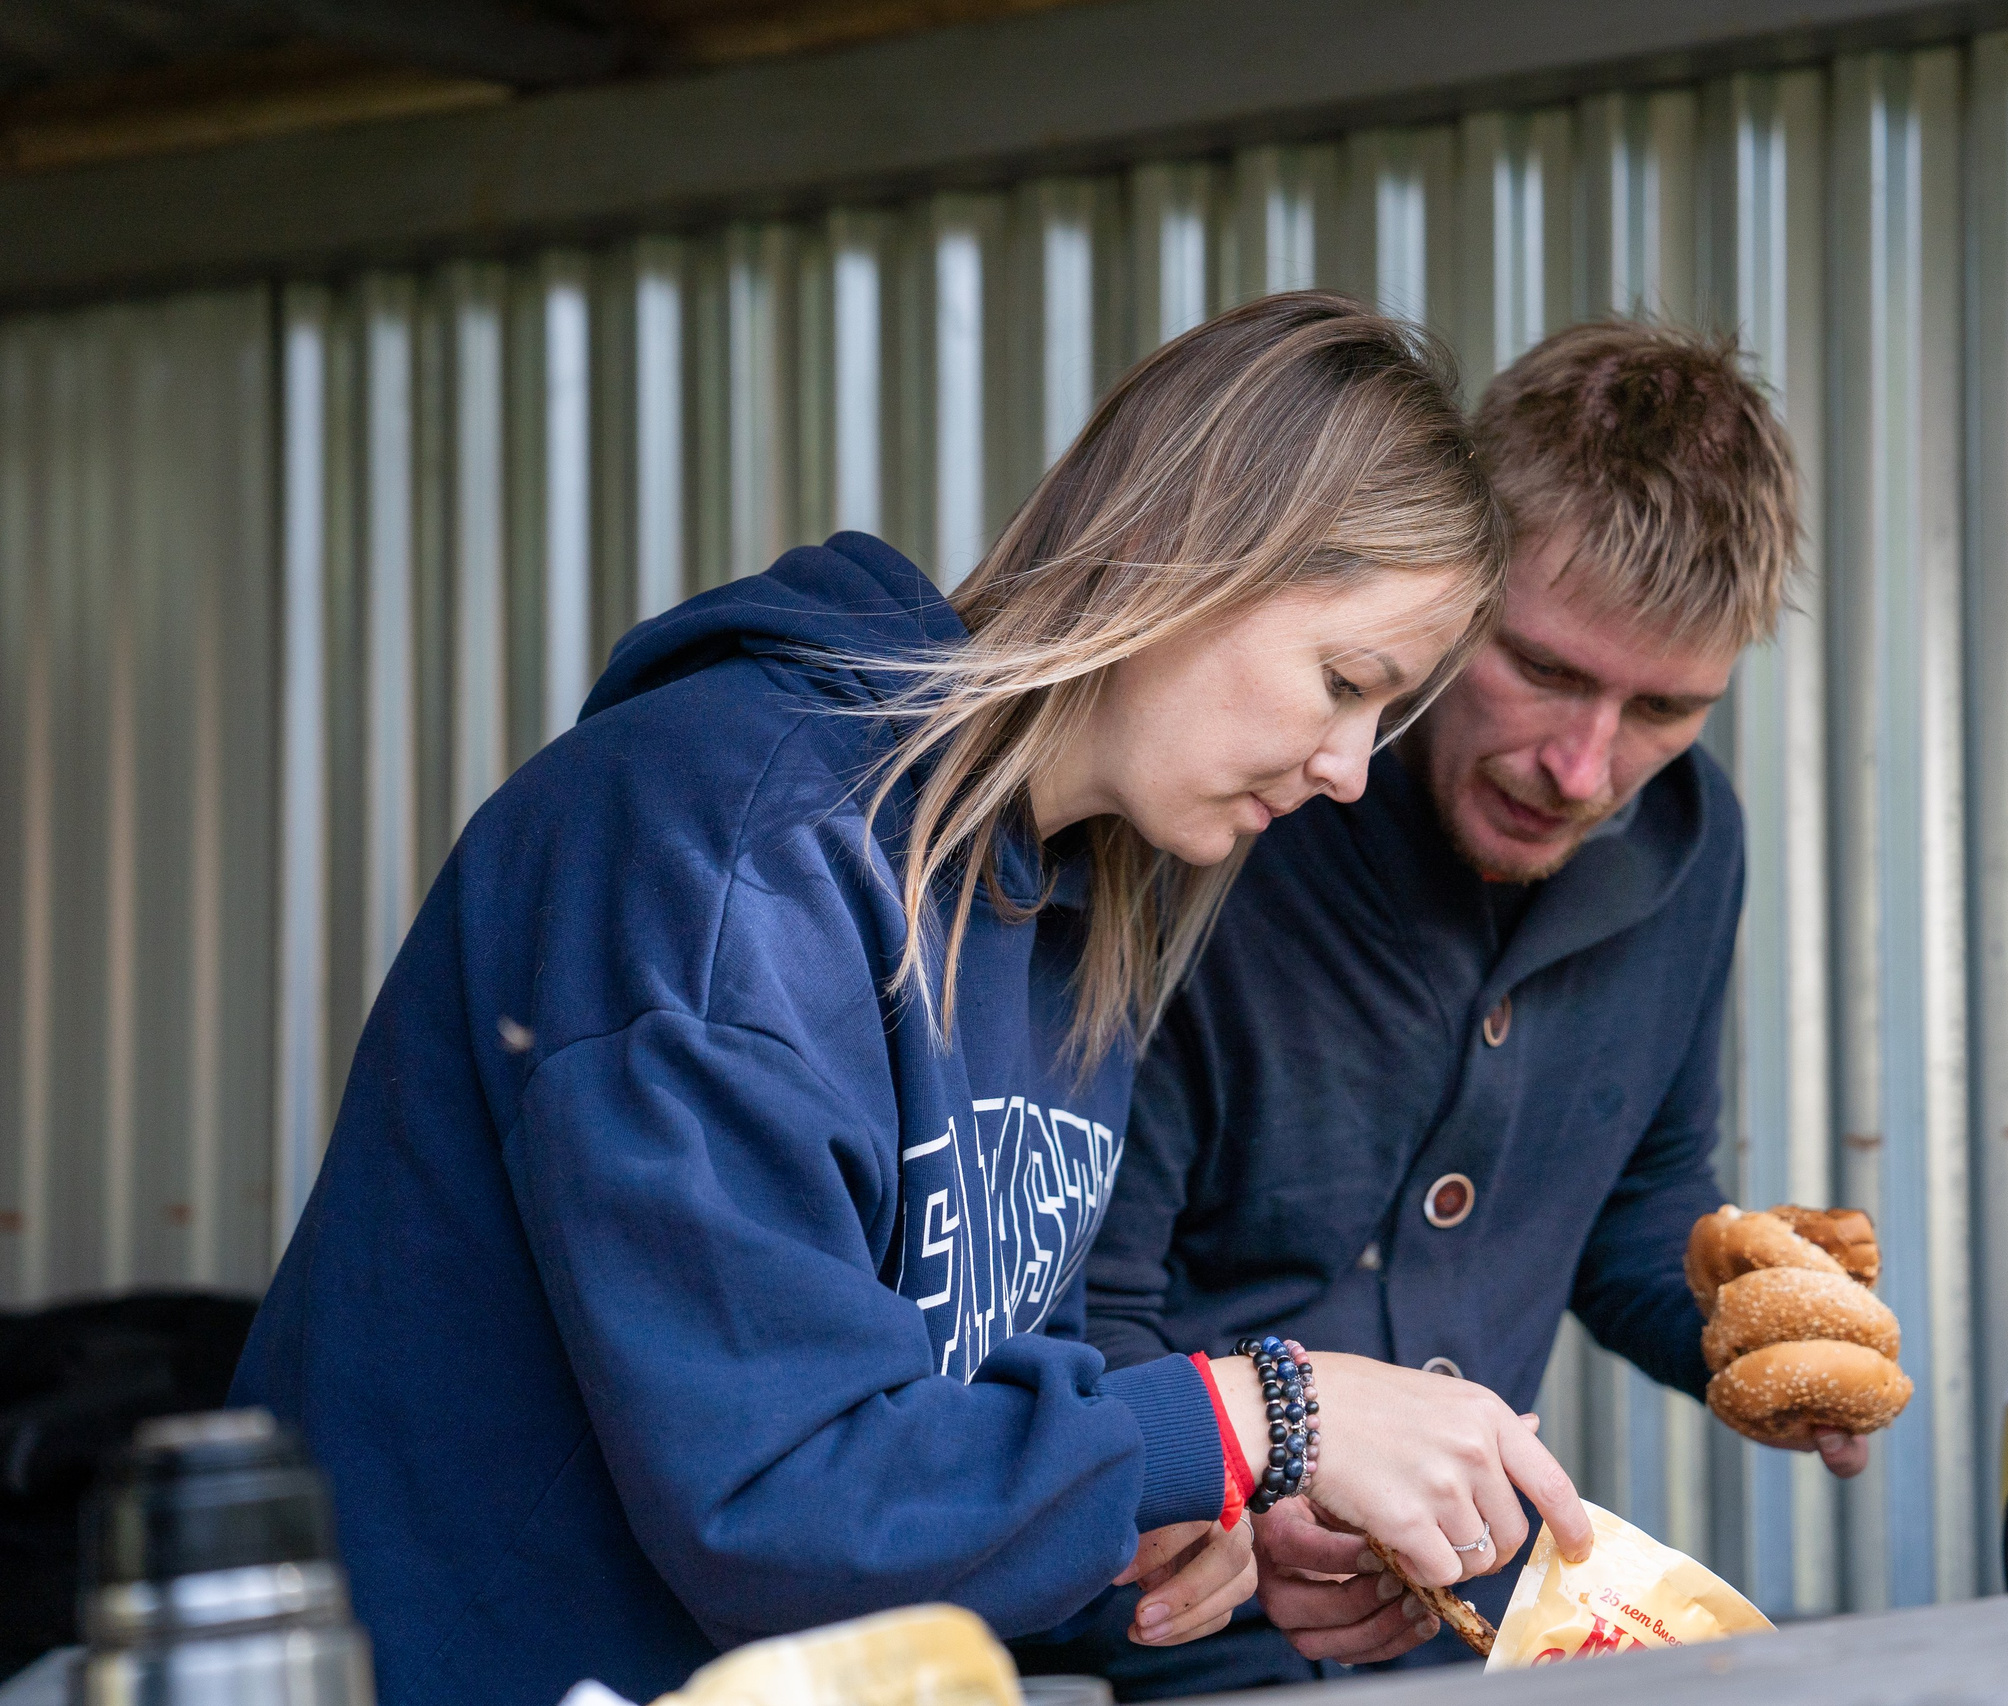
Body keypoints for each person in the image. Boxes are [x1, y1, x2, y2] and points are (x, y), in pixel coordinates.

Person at [228, 292, 1594, 1706]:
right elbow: (780, 1495)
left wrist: (1173, 1514)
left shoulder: (1078, 918)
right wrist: (1261, 1409)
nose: (1350, 769)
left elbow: (934, 1456)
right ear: (1193, 551)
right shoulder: (721, 842)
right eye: (1344, 680)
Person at [1062, 320, 1856, 1698]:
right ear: (1449, 591)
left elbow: (1637, 1195)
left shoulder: (1688, 845)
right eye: (1544, 669)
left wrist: (1746, 1321)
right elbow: (1079, 1304)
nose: (1585, 766)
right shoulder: (1218, 818)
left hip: (1478, 1637)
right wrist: (1269, 1497)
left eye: (1666, 705)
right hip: (1152, 1637)